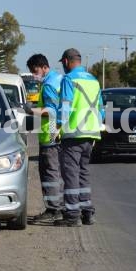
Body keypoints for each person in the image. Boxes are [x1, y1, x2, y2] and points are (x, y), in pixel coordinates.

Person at [55, 48, 103, 227]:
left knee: (71, 174)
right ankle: (87, 212)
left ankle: (72, 214)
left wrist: (58, 126)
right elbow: (101, 108)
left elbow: (65, 106)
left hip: (73, 133)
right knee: (83, 173)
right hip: (91, 134)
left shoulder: (69, 79)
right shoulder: (94, 81)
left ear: (66, 62)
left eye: (63, 64)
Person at [26, 53, 64, 224]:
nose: (35, 75)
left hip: (50, 132)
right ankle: (59, 206)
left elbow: (52, 111)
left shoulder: (48, 84)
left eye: (35, 71)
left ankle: (53, 208)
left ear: (43, 67)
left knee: (49, 172)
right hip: (61, 132)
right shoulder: (59, 79)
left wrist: (31, 110)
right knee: (57, 172)